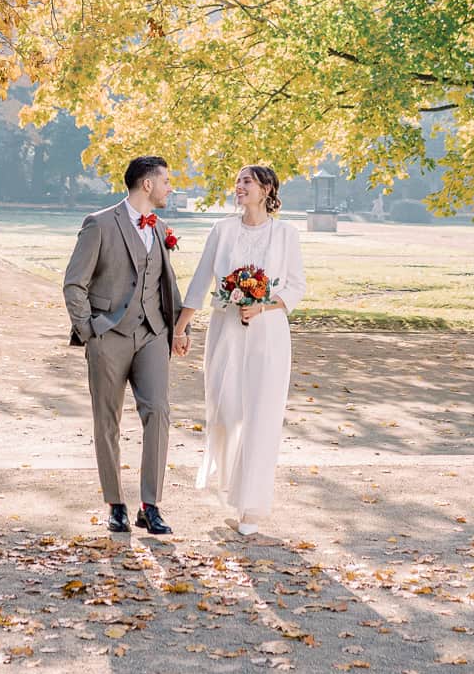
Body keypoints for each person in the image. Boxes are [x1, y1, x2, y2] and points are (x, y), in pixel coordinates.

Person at [173, 163, 305, 537]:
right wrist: (181, 329)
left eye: (246, 181)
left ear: (266, 189)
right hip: (226, 331)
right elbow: (200, 281)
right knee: (226, 413)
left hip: (269, 335)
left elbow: (296, 285)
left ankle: (251, 509)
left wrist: (264, 305)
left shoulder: (285, 234)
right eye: (237, 182)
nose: (239, 187)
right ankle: (230, 488)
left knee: (262, 417)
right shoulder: (222, 230)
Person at [63, 155, 184, 536]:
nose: (170, 187)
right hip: (108, 336)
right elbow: (73, 284)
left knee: (159, 413)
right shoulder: (99, 224)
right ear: (146, 184)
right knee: (108, 420)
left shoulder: (161, 227)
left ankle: (151, 504)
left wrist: (178, 327)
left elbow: (167, 281)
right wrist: (89, 331)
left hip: (153, 334)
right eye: (166, 180)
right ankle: (115, 503)